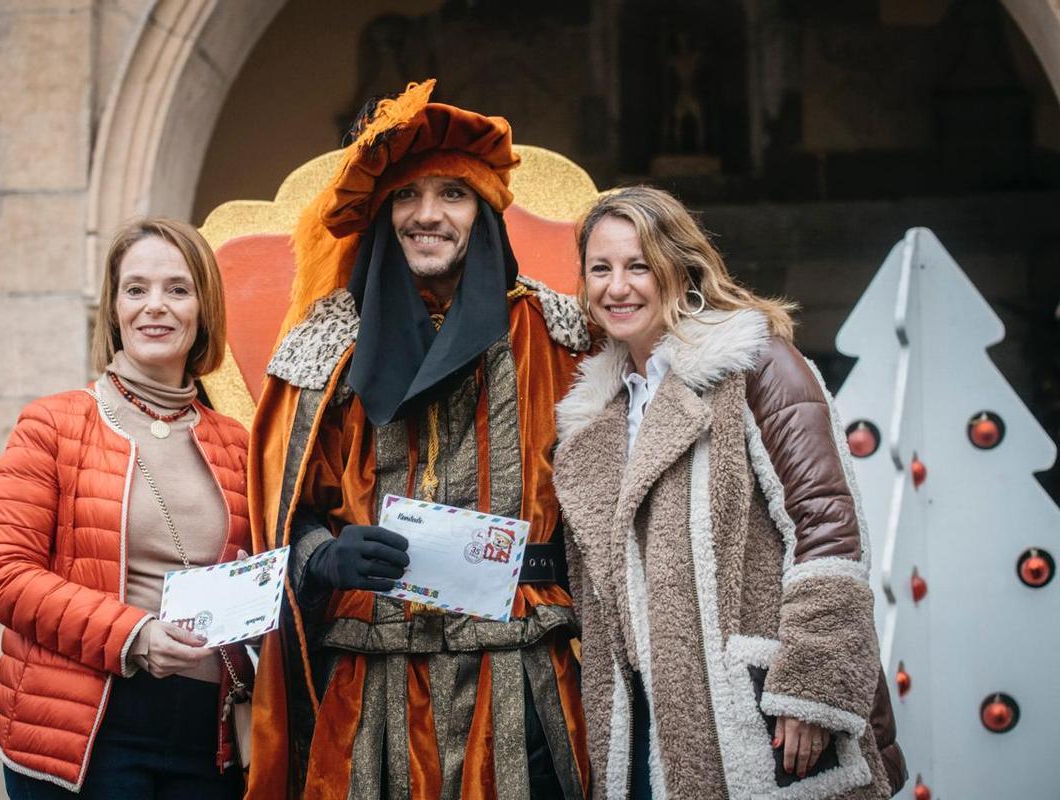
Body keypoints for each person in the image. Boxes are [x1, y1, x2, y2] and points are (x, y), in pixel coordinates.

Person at [246, 80, 590, 799]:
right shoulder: (324, 347)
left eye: (452, 195)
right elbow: (279, 519)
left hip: (523, 682)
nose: (427, 215)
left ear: (485, 214)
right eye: (406, 196)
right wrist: (326, 555)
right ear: (382, 214)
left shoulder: (562, 338)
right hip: (372, 692)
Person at [552, 186, 906, 799]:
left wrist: (812, 687)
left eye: (639, 266)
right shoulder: (594, 413)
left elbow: (826, 524)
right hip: (639, 722)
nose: (618, 287)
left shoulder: (757, 365)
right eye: (600, 269)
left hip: (757, 713)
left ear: (681, 269)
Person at [0, 218, 252, 797]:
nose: (155, 306)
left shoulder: (240, 444)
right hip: (85, 731)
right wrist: (134, 635)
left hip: (211, 741)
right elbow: (2, 574)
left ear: (204, 309)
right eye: (136, 289)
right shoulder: (52, 423)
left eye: (177, 289)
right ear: (115, 307)